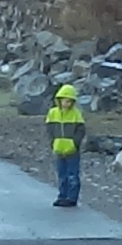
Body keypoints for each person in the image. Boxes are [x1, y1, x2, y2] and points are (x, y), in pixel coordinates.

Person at [45, 79, 86, 207]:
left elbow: (81, 130)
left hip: (72, 150)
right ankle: (62, 195)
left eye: (70, 101)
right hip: (59, 149)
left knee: (72, 175)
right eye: (65, 100)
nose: (67, 103)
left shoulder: (76, 114)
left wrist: (75, 143)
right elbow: (50, 129)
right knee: (62, 175)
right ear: (60, 100)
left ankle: (72, 198)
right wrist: (53, 142)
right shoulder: (53, 113)